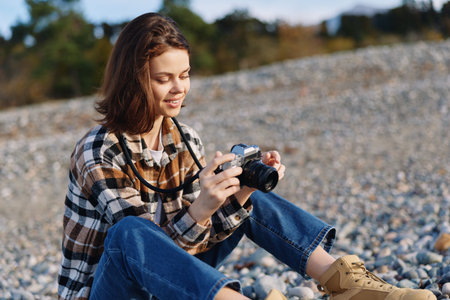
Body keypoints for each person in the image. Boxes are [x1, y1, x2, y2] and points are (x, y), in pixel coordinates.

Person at [57, 12, 436, 300]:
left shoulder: (184, 138)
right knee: (128, 231)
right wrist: (202, 209)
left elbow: (183, 249)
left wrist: (237, 196)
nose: (179, 89)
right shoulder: (100, 149)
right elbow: (143, 252)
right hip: (108, 290)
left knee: (248, 190)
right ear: (133, 78)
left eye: (185, 75)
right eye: (163, 79)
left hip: (172, 281)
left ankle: (346, 283)